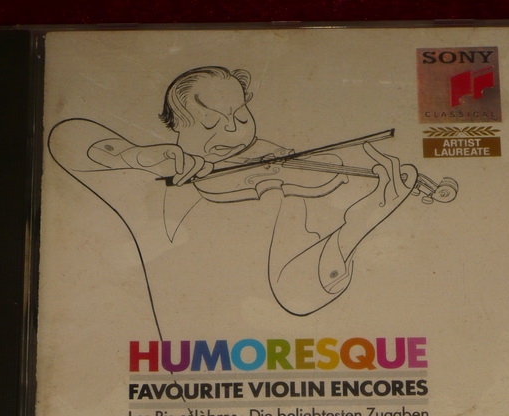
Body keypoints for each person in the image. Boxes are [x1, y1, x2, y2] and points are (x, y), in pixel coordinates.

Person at [48, 66, 417, 330]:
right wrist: (134, 155)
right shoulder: (156, 181)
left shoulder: (277, 188)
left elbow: (295, 290)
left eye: (240, 115)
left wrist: (363, 220)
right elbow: (67, 138)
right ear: (176, 126)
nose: (232, 130)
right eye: (210, 123)